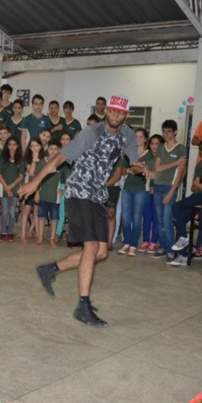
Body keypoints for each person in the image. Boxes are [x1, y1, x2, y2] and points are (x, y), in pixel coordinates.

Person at [20, 94, 139, 328]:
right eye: (111, 111)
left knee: (101, 252)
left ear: (126, 116)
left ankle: (51, 269)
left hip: (97, 195)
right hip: (78, 191)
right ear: (106, 112)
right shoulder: (91, 133)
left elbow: (134, 160)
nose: (115, 116)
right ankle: (83, 306)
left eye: (120, 113)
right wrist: (36, 182)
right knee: (92, 245)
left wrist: (141, 166)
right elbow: (60, 157)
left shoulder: (128, 134)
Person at [145, 120, 187, 262]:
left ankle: (170, 250)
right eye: (164, 131)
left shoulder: (181, 149)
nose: (166, 133)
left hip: (170, 187)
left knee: (167, 220)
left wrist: (172, 192)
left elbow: (180, 174)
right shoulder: (162, 147)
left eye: (169, 131)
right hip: (158, 185)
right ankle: (163, 246)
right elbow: (158, 168)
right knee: (160, 221)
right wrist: (175, 163)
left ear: (175, 132)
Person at [170, 139, 202, 265]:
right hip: (196, 196)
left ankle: (183, 240)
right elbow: (192, 187)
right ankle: (183, 255)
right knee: (179, 215)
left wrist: (198, 184)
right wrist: (198, 184)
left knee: (176, 205)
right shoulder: (200, 165)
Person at [118, 128, 153, 256]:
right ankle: (127, 242)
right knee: (126, 218)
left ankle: (133, 244)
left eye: (140, 136)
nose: (137, 139)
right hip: (127, 188)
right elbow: (122, 169)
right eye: (135, 136)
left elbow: (145, 171)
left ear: (145, 139)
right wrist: (138, 168)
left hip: (141, 190)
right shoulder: (128, 153)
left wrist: (139, 168)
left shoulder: (149, 155)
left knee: (137, 218)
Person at [35, 139, 67, 246]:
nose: (53, 151)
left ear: (60, 150)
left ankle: (52, 239)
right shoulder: (41, 162)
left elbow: (70, 177)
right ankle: (40, 238)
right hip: (42, 195)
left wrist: (64, 190)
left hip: (55, 196)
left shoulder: (62, 163)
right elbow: (36, 179)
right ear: (47, 149)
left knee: (54, 218)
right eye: (51, 149)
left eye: (56, 149)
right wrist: (36, 193)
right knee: (41, 217)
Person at [139, 134, 163, 254]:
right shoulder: (147, 158)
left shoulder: (163, 158)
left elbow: (162, 175)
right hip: (147, 190)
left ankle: (154, 241)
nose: (154, 146)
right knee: (147, 216)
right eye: (152, 144)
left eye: (157, 144)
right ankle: (145, 241)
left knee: (156, 216)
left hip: (159, 191)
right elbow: (145, 174)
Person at [0, 137, 24, 242]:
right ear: (7, 146)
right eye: (10, 144)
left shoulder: (20, 160)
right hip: (3, 189)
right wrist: (6, 187)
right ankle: (3, 232)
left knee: (12, 212)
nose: (12, 147)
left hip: (15, 189)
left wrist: (11, 187)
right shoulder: (2, 159)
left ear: (17, 146)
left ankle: (10, 232)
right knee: (4, 211)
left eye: (14, 144)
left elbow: (21, 176)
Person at [20, 137, 45, 243]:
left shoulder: (44, 158)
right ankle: (22, 235)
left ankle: (34, 232)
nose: (35, 148)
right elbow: (31, 174)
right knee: (26, 210)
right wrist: (34, 159)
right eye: (32, 146)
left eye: (37, 145)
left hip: (41, 186)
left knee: (36, 210)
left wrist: (38, 191)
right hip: (29, 186)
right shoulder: (28, 159)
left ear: (41, 146)